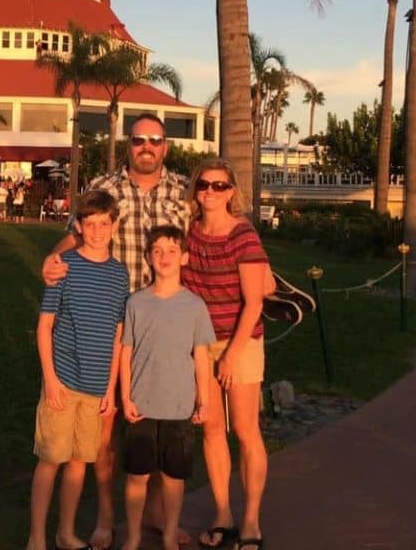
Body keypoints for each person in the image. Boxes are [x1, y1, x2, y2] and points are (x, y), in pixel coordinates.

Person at [42, 113, 191, 550]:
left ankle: (160, 517)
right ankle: (106, 519)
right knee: (106, 427)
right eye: (139, 139)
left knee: (162, 423)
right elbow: (74, 236)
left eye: (156, 140)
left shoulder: (183, 192)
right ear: (129, 144)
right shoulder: (104, 189)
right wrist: (52, 260)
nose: (147, 146)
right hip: (111, 322)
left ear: (166, 146)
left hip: (163, 326)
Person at [27, 190, 129, 550]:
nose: (98, 230)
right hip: (64, 381)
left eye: (104, 223)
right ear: (80, 227)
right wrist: (50, 381)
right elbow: (44, 328)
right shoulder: (65, 266)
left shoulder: (120, 275)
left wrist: (110, 389)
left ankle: (65, 532)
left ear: (114, 226)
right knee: (50, 459)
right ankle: (37, 537)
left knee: (78, 464)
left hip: (96, 387)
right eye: (90, 224)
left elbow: (118, 335)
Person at [182, 158, 269, 550]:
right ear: (195, 190)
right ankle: (223, 514)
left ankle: (251, 521)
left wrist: (231, 356)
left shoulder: (244, 235)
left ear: (231, 192)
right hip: (202, 344)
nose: (211, 192)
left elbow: (254, 303)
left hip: (242, 341)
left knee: (246, 432)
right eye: (204, 185)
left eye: (219, 186)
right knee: (212, 430)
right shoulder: (189, 233)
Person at [120, 225, 215, 550]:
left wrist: (204, 400)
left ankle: (170, 533)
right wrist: (124, 396)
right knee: (137, 476)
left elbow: (201, 357)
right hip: (142, 405)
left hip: (179, 407)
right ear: (148, 257)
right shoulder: (136, 303)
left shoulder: (195, 306)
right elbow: (125, 352)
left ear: (184, 257)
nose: (164, 257)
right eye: (157, 250)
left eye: (172, 250)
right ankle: (133, 536)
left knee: (174, 478)